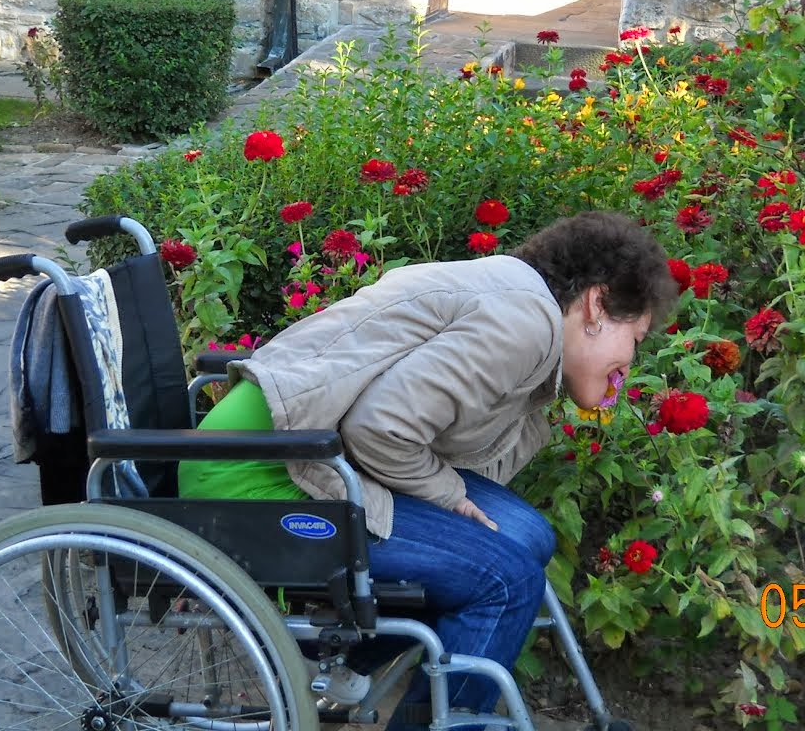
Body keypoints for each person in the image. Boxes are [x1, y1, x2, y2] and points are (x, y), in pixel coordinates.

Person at [178, 209, 678, 730]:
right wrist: (448, 495)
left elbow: (441, 441)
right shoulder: (525, 325)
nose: (631, 362)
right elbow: (381, 430)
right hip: (258, 475)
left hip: (303, 450)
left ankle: (348, 663)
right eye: (635, 340)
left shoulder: (525, 310)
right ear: (596, 304)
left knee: (525, 535)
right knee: (504, 583)